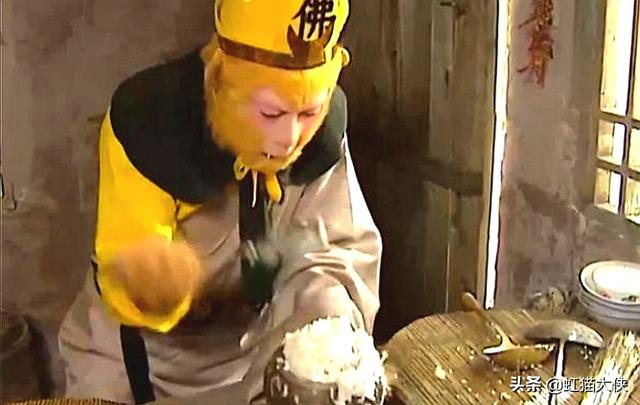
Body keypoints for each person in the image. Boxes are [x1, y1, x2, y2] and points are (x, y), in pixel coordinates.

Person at [58, 0, 382, 403]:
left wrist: (322, 320)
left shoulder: (321, 135)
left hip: (255, 358)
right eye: (271, 113)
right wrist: (150, 282)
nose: (289, 138)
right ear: (220, 82)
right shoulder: (149, 124)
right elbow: (129, 265)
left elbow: (336, 251)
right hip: (140, 365)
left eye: (308, 112)